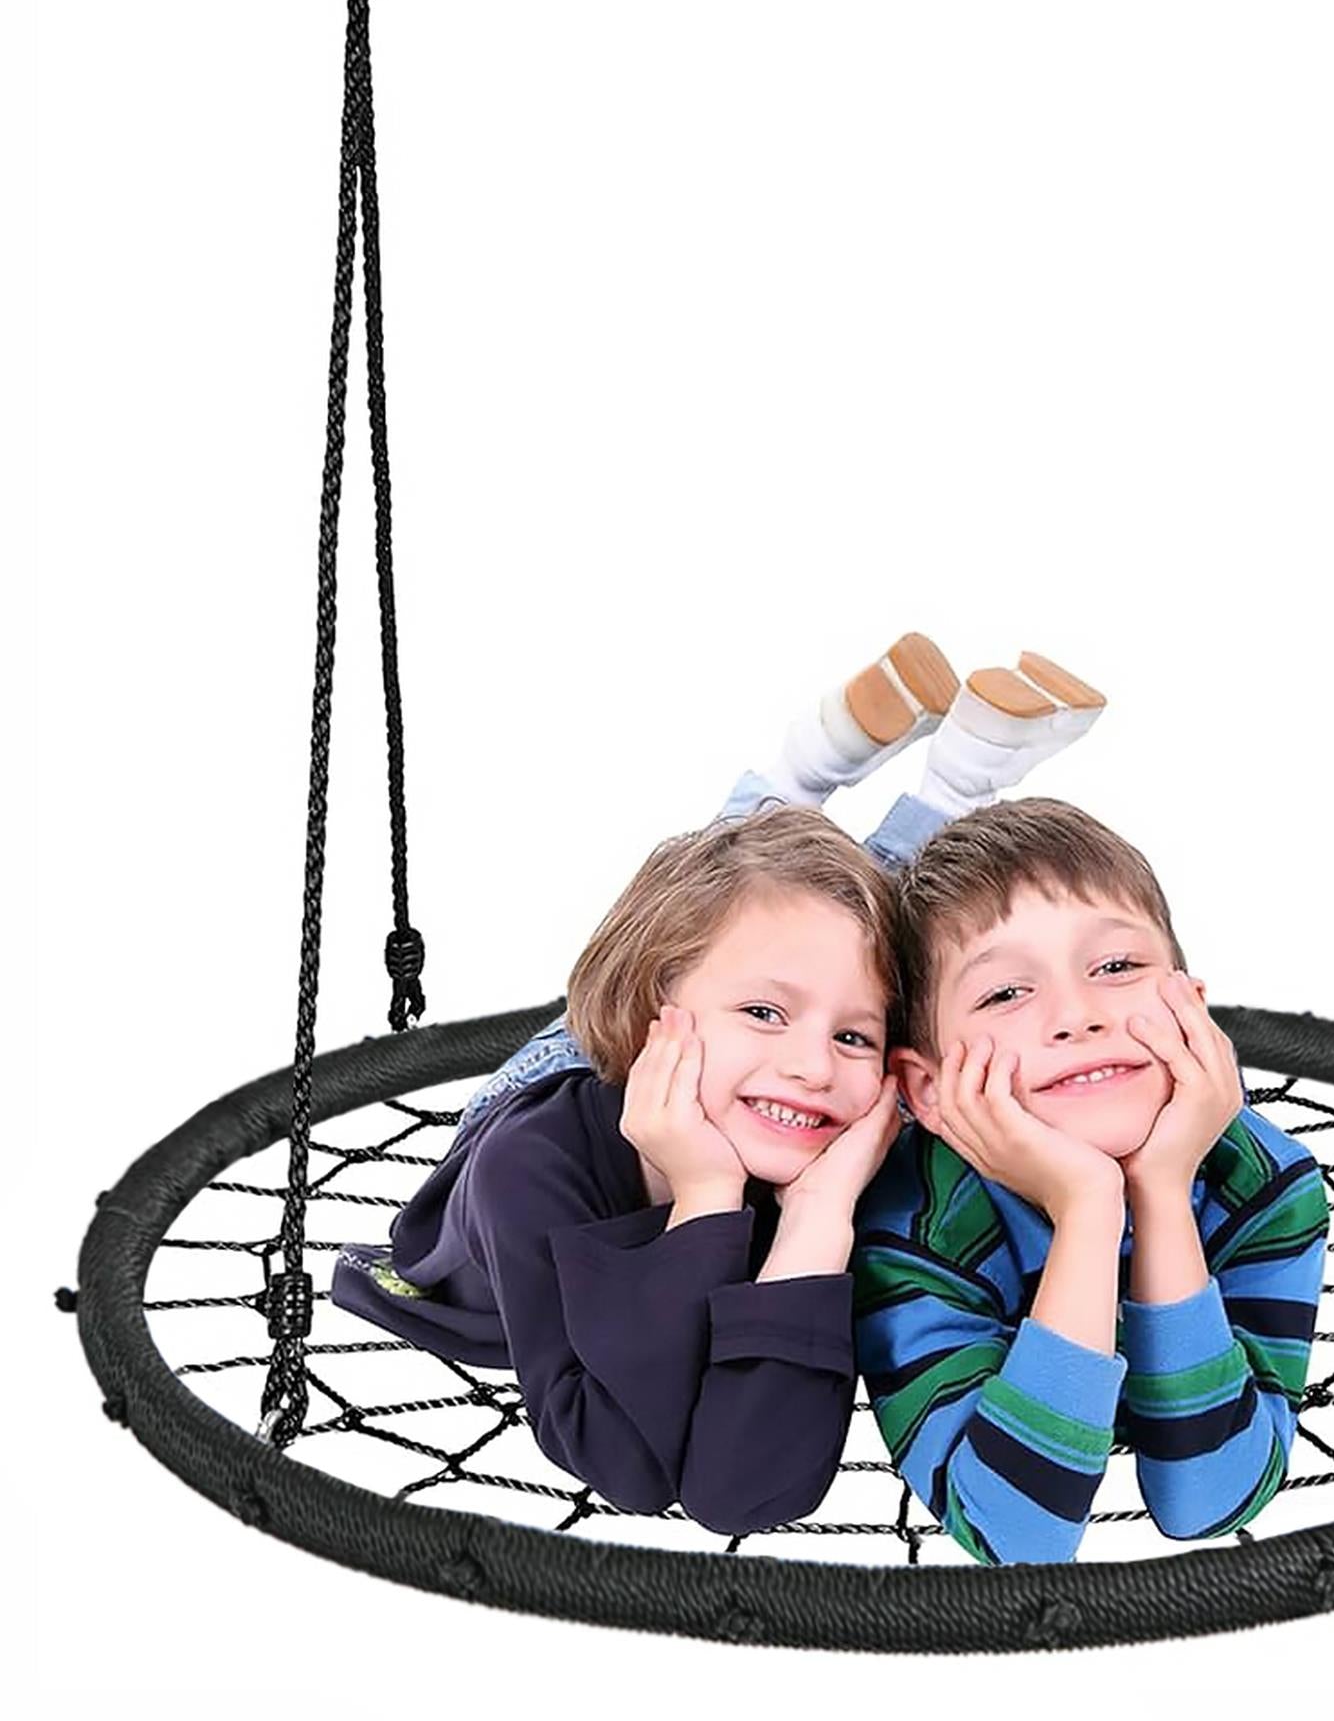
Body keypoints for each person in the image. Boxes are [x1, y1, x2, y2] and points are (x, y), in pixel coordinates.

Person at [330, 635, 1106, 1537]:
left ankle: (864, 768)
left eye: (858, 1035)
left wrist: (818, 1218)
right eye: (770, 1018)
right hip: (568, 1073)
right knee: (723, 919)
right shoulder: (527, 1168)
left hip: (706, 1062)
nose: (818, 1064)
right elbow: (627, 1462)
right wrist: (705, 1194)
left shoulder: (823, 1149)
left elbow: (746, 1491)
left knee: (800, 930)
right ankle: (901, 777)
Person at [853, 797, 1329, 1565]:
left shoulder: (1266, 1186)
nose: (1077, 1015)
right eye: (1006, 992)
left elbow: (1209, 1500)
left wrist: (1162, 1194)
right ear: (929, 1090)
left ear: (1191, 1008)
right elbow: (1017, 1535)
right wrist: (1087, 1208)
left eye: (1117, 967)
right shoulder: (913, 1229)